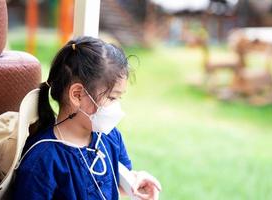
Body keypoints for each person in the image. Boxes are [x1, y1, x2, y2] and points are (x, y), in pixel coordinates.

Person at [12, 36, 161, 200]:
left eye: (119, 98)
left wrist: (135, 181)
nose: (117, 108)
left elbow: (112, 182)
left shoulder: (110, 137)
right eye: (112, 98)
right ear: (77, 95)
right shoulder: (42, 160)